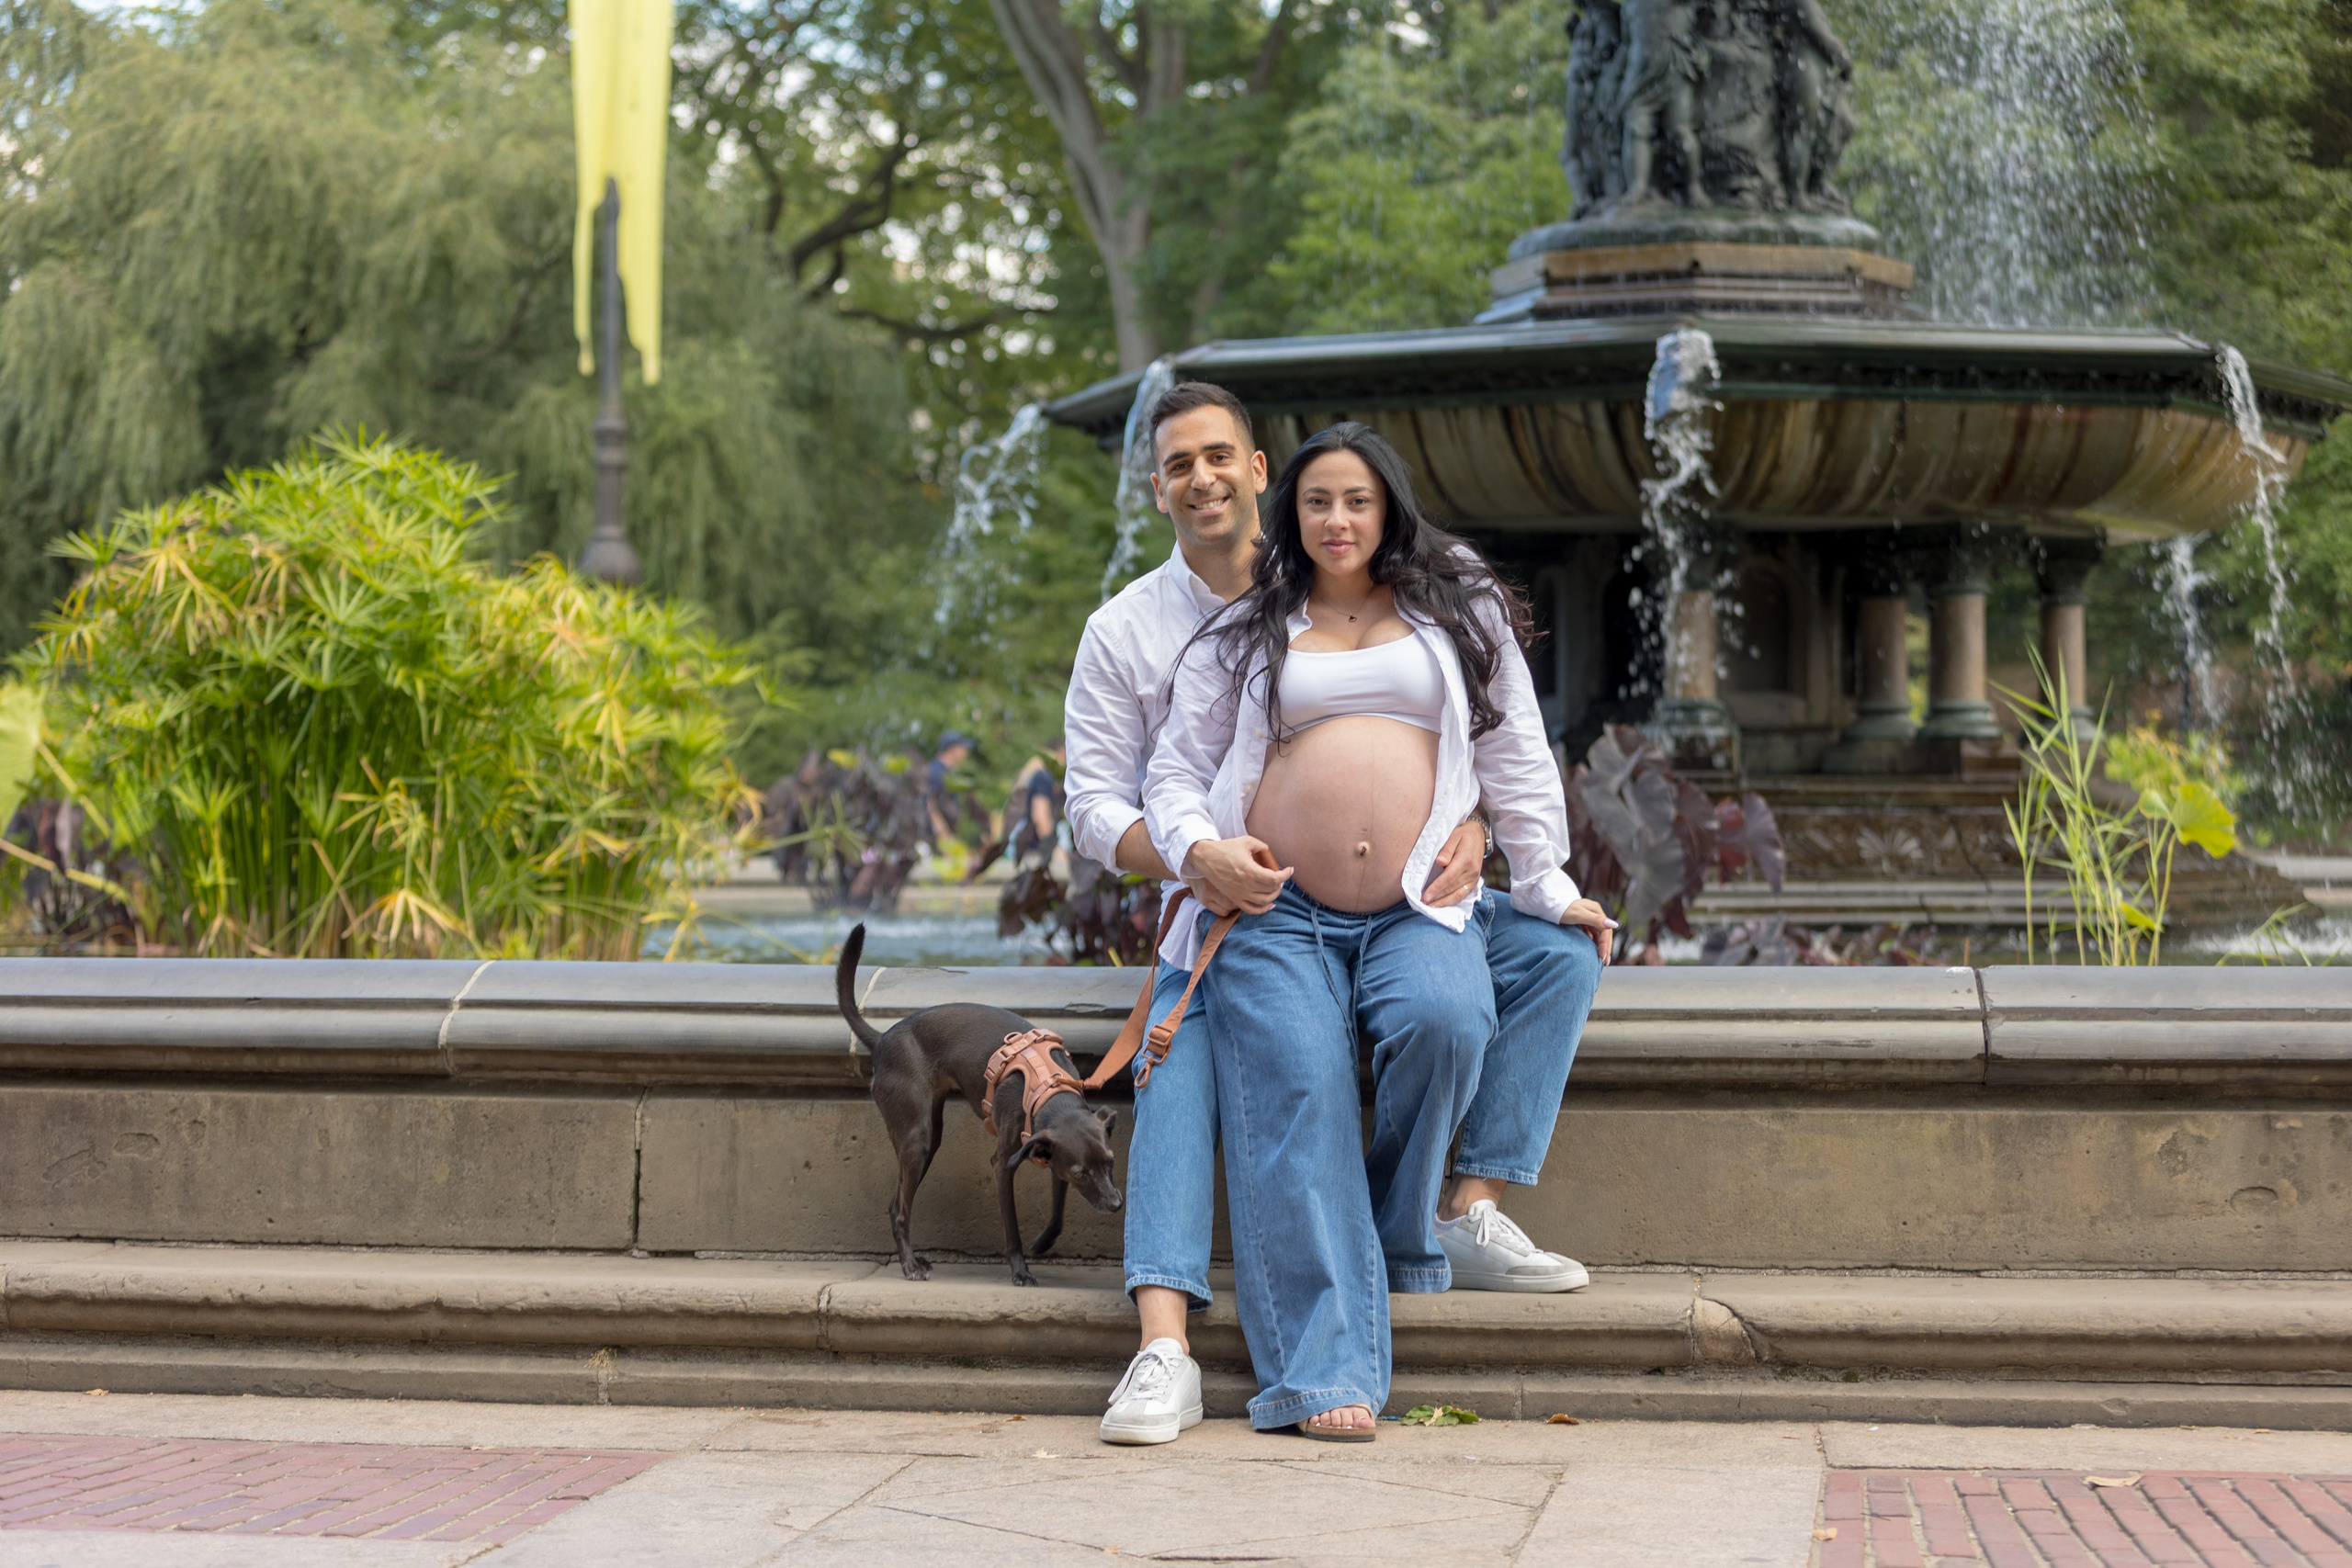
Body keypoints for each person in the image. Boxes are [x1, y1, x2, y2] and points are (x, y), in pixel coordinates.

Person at [1143, 422, 1613, 1441]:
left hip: (1417, 903)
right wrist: (1197, 852)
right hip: (1276, 911)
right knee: (1301, 1087)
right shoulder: (1244, 629)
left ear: (1389, 508)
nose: (1338, 520)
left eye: (1356, 501)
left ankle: (1404, 1234)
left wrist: (1541, 878)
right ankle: (1321, 1377)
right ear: (1292, 514)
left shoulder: (1457, 609)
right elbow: (1173, 771)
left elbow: (1514, 747)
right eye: (1318, 503)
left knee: (1447, 1022)